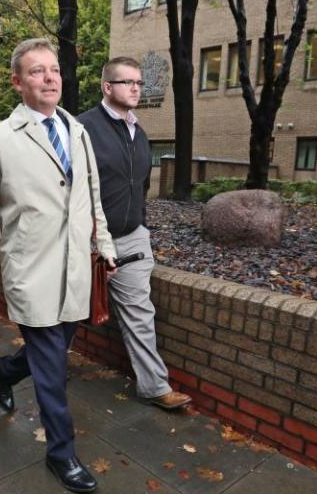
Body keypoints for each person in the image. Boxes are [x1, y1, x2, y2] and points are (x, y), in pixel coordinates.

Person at [0, 38, 116, 494]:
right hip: (31, 271)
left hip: (76, 271)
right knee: (52, 367)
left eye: (53, 70)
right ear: (16, 82)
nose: (49, 78)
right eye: (36, 71)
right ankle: (62, 453)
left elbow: (92, 197)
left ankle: (5, 369)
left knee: (47, 353)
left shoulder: (77, 129)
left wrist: (104, 244)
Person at [77, 57, 192, 411]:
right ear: (107, 87)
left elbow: (140, 187)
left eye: (139, 82)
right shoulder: (82, 128)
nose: (136, 88)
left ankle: (154, 386)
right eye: (127, 82)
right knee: (62, 318)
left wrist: (140, 224)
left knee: (141, 312)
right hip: (88, 242)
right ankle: (15, 368)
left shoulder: (139, 134)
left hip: (131, 239)